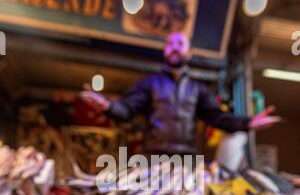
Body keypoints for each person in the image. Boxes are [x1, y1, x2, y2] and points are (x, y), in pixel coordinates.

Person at [80, 32, 281, 156]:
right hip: (152, 157)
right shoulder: (149, 83)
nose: (174, 48)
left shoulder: (198, 89)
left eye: (180, 44)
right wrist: (108, 107)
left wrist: (248, 123)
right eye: (170, 44)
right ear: (165, 51)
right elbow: (126, 110)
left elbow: (219, 118)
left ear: (189, 52)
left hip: (186, 160)